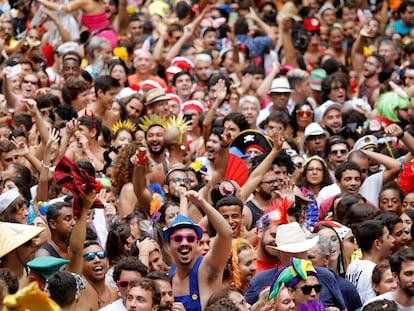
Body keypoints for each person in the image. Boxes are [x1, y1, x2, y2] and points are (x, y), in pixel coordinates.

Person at [163, 190, 232, 310]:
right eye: (178, 239)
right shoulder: (171, 273)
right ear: (169, 245)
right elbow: (182, 220)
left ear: (197, 243)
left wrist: (202, 203)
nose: (184, 243)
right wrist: (183, 199)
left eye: (190, 238)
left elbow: (226, 234)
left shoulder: (207, 268)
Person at [346, 219, 395, 304]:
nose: (392, 239)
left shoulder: (352, 265)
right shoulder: (373, 270)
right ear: (377, 244)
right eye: (388, 236)